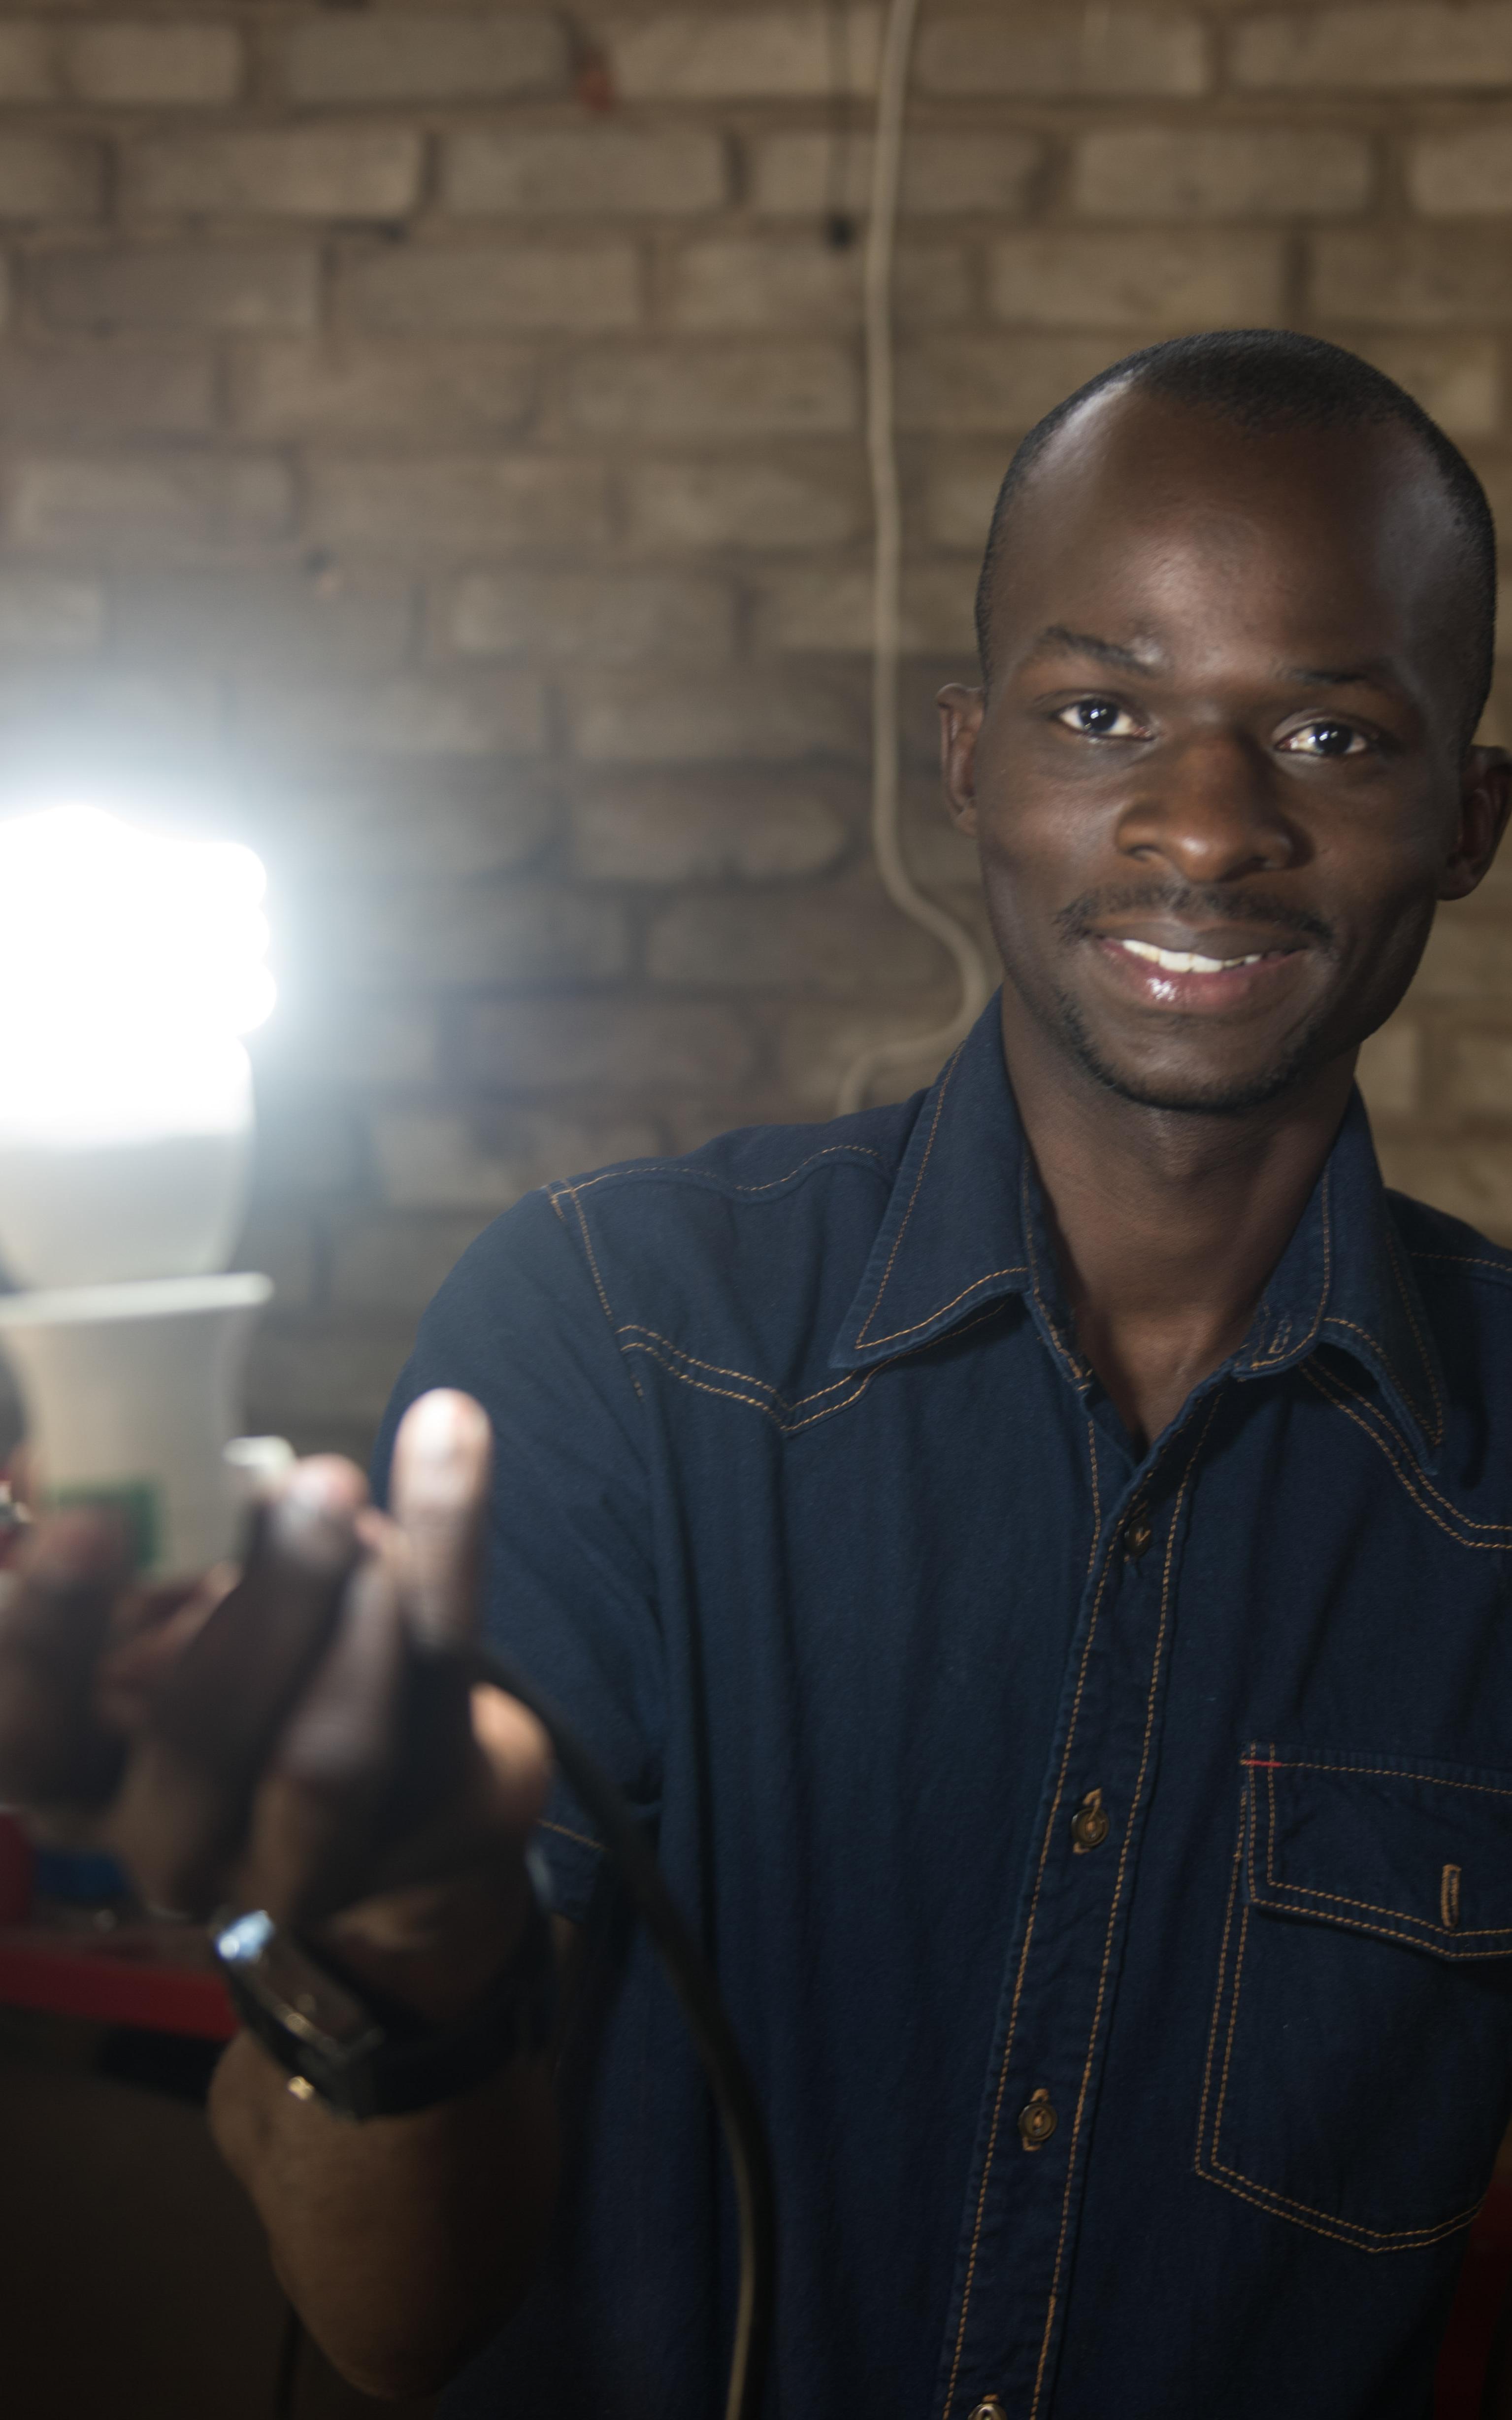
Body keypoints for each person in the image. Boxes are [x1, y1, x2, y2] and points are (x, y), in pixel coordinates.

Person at [3, 327, 1512, 2420]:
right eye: (1103, 711)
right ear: (970, 756)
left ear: (1470, 816)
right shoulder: (611, 1333)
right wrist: (406, 1970)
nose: (1204, 822)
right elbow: (385, 2321)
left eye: (1336, 739)